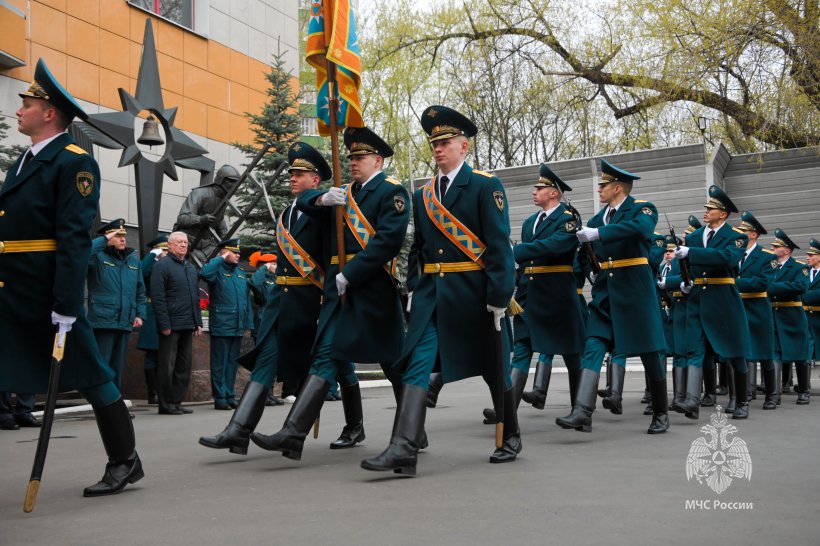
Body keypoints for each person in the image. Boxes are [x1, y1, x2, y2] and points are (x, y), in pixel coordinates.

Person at [0, 58, 142, 496]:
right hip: (13, 287)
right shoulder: (23, 162)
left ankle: (124, 460)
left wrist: (65, 304)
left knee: (92, 373)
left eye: (27, 104)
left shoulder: (73, 163)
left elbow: (74, 238)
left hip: (46, 291)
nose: (18, 110)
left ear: (49, 113)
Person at [361, 105, 518, 475]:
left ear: (464, 147)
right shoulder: (423, 194)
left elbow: (498, 247)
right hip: (434, 296)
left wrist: (499, 297)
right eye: (435, 143)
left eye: (446, 142)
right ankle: (403, 447)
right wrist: (415, 285)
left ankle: (510, 435)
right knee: (417, 364)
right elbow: (419, 249)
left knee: (494, 367)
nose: (438, 148)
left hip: (475, 294)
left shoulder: (484, 185)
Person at [252, 127, 410, 459]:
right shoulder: (344, 192)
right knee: (326, 352)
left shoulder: (391, 192)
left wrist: (350, 273)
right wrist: (324, 197)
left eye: (360, 157)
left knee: (392, 363)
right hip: (340, 289)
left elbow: (387, 242)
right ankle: (293, 434)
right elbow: (307, 201)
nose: (353, 162)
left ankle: (412, 430)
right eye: (351, 157)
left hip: (373, 286)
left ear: (377, 161)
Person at [199, 142, 330, 455]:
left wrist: (320, 198)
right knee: (264, 364)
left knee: (332, 367)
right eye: (292, 173)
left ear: (315, 180)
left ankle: (375, 425)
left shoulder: (321, 207)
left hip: (308, 302)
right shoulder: (288, 213)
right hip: (282, 304)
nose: (293, 178)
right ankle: (238, 431)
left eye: (301, 174)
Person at [557, 159, 669, 434]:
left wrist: (599, 234)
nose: (599, 189)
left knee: (650, 351)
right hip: (606, 291)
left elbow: (641, 229)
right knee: (593, 344)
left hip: (636, 290)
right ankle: (582, 410)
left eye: (603, 185)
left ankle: (661, 412)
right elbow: (584, 253)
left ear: (617, 188)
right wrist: (592, 272)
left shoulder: (642, 209)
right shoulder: (597, 219)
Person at [486, 164, 584, 420]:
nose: (534, 191)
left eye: (539, 188)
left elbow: (553, 246)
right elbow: (528, 260)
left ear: (553, 192)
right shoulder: (530, 222)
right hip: (530, 295)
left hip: (557, 296)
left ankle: (580, 410)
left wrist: (513, 252)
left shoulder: (568, 219)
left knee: (572, 353)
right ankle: (507, 410)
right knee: (522, 350)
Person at [673, 185, 751, 419]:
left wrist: (691, 254)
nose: (706, 211)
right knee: (695, 350)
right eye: (706, 208)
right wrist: (685, 280)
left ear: (723, 214)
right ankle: (692, 402)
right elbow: (688, 265)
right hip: (698, 297)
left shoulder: (737, 237)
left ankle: (742, 402)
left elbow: (726, 258)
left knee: (734, 351)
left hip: (723, 297)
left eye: (711, 208)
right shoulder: (695, 237)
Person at [87, 218, 147, 389]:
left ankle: (115, 405)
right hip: (103, 320)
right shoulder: (98, 257)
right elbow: (84, 254)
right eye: (117, 235)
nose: (122, 239)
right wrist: (103, 240)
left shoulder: (133, 260)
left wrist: (139, 314)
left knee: (118, 367)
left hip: (125, 321)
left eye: (124, 235)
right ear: (108, 238)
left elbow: (140, 291)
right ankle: (101, 403)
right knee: (102, 364)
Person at [151, 231, 203, 415]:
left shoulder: (189, 267)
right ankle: (165, 404)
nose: (183, 245)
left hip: (187, 324)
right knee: (167, 366)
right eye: (179, 242)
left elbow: (195, 297)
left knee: (183, 365)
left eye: (186, 242)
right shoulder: (162, 266)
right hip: (170, 325)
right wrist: (164, 324)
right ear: (170, 245)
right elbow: (158, 298)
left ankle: (177, 401)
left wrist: (198, 322)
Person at [200, 238, 254, 410]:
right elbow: (205, 273)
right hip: (222, 324)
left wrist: (248, 323)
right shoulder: (217, 270)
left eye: (239, 252)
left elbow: (246, 301)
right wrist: (220, 258)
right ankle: (220, 397)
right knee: (219, 363)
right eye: (234, 252)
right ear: (225, 252)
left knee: (232, 363)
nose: (238, 255)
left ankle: (230, 395)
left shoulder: (240, 273)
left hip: (237, 325)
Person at [734, 212, 778, 409]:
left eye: (743, 232)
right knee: (742, 354)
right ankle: (743, 394)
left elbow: (763, 283)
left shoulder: (767, 257)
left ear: (753, 235)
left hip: (758, 310)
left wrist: (735, 283)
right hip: (738, 309)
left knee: (765, 354)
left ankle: (772, 395)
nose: (739, 235)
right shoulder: (734, 254)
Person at [769, 228, 811, 405]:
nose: (772, 248)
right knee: (776, 354)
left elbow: (800, 287)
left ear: (786, 250)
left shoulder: (799, 267)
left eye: (776, 246)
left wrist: (770, 288)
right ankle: (774, 394)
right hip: (774, 315)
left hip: (792, 315)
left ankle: (804, 390)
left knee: (799, 355)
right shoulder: (770, 267)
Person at [173, 164, 240, 265]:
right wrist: (201, 219)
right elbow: (182, 218)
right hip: (188, 241)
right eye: (230, 181)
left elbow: (219, 220)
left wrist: (225, 239)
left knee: (222, 262)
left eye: (235, 182)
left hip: (207, 244)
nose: (233, 185)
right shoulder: (199, 193)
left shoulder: (224, 199)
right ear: (221, 180)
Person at [136, 235, 169, 404]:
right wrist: (152, 255)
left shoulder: (171, 265)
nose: (166, 252)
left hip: (169, 311)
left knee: (167, 354)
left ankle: (165, 392)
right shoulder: (151, 265)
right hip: (152, 310)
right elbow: (139, 271)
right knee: (152, 354)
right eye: (163, 249)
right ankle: (153, 393)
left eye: (167, 249)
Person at [804, 239, 820, 369]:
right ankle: (804, 385)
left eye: (811, 255)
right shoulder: (804, 271)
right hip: (806, 315)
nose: (807, 258)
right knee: (806, 349)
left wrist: (803, 296)